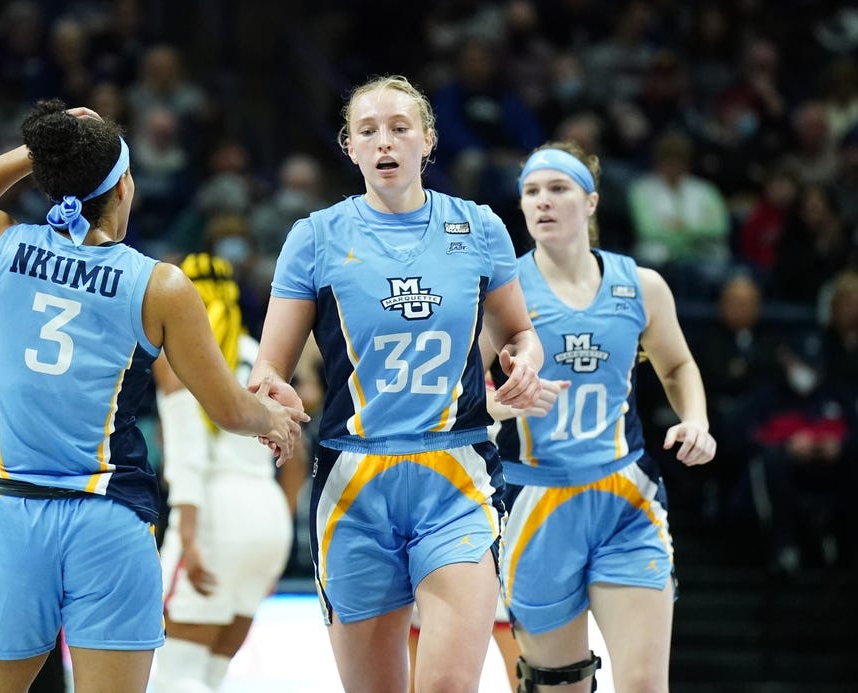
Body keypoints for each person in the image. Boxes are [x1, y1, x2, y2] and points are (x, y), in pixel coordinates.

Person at [0, 98, 307, 693]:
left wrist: (38, 152)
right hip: (108, 519)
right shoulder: (160, 285)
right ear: (124, 188)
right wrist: (275, 418)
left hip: (12, 512)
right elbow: (230, 410)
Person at [249, 75, 543, 693]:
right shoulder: (314, 237)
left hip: (456, 473)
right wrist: (272, 399)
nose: (385, 141)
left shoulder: (480, 227)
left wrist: (525, 359)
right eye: (368, 130)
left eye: (400, 127)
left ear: (428, 141)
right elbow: (268, 368)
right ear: (349, 147)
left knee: (445, 685)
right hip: (354, 483)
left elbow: (519, 331)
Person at [491, 141, 716, 692]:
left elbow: (679, 363)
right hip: (535, 503)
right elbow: (467, 396)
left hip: (624, 495)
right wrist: (500, 404)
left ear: (590, 203)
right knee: (557, 684)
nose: (542, 201)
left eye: (558, 189)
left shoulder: (641, 286)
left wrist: (696, 419)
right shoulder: (503, 295)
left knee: (643, 684)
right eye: (531, 192)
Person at [152, 252, 297, 693]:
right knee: (211, 675)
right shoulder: (258, 358)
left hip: (213, 514)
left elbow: (187, 455)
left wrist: (189, 538)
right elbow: (296, 453)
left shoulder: (180, 360)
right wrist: (279, 529)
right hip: (268, 516)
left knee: (177, 674)